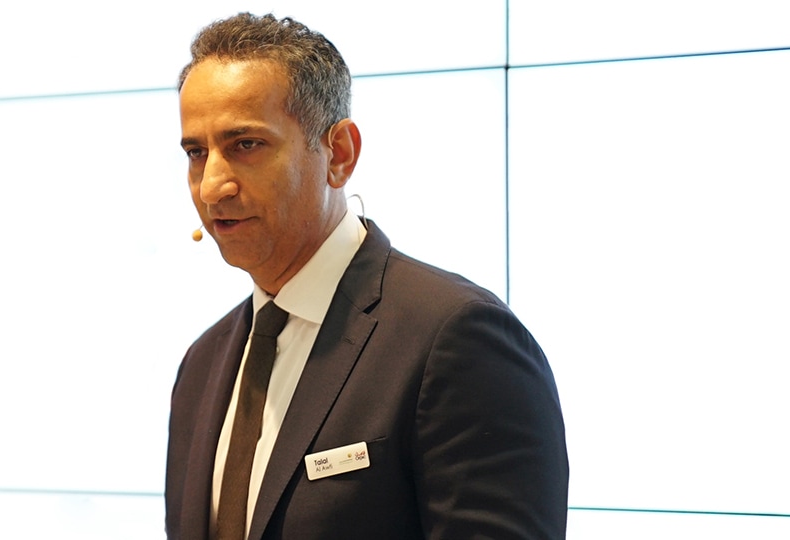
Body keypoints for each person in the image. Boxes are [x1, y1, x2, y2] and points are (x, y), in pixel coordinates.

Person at [164, 13, 567, 540]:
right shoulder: (202, 363)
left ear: (339, 154)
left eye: (246, 145)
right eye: (196, 153)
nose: (212, 186)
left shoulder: (456, 338)